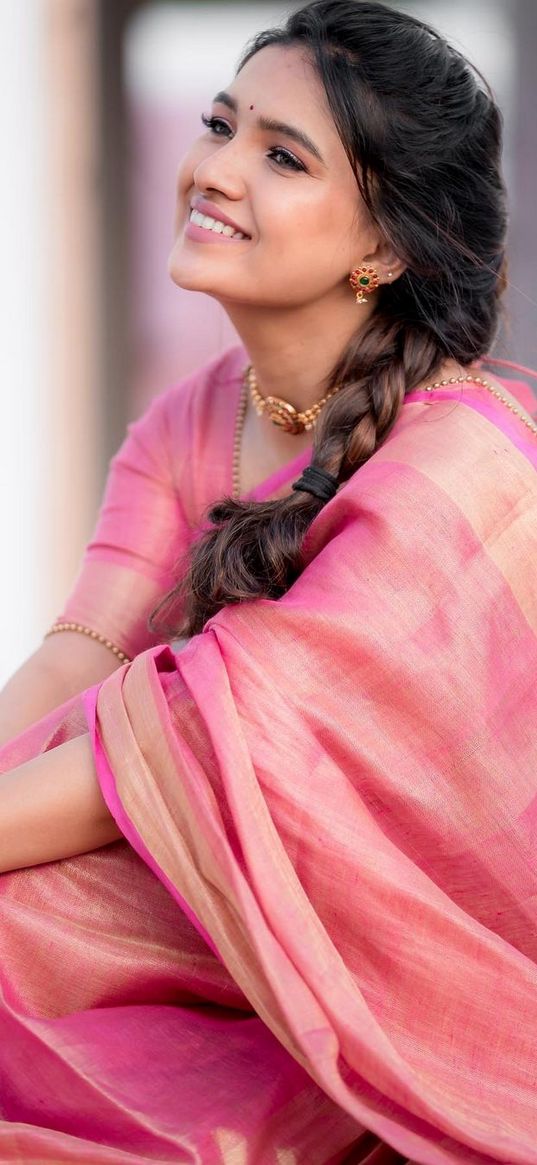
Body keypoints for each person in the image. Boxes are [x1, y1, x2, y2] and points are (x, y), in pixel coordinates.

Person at [1, 0, 537, 1160]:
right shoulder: (193, 418)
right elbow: (80, 656)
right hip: (234, 899)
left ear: (383, 246)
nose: (215, 170)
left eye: (282, 156)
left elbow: (206, 732)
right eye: (220, 124)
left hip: (419, 954)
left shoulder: (466, 465)